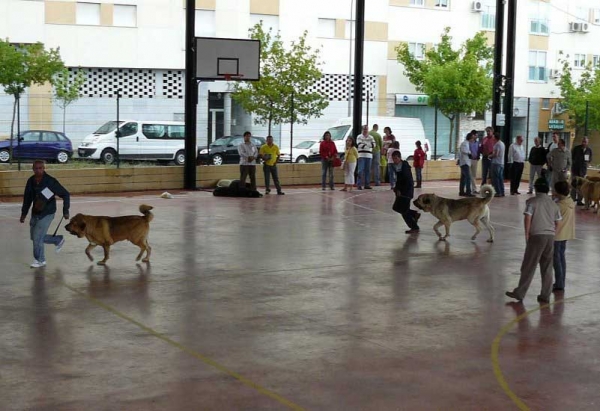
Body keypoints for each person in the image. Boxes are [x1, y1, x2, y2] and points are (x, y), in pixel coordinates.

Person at [505, 178, 562, 304]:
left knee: (529, 266)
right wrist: (553, 235)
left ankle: (520, 292)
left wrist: (527, 235)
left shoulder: (532, 202)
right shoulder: (554, 204)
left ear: (536, 188)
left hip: (536, 236)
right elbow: (558, 222)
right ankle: (545, 295)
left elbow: (528, 218)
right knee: (547, 267)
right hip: (550, 237)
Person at [20, 160, 70, 268]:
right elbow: (27, 199)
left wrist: (65, 210)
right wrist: (23, 214)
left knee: (37, 237)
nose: (38, 170)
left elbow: (65, 194)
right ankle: (57, 240)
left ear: (44, 168)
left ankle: (40, 260)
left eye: (40, 168)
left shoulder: (50, 181)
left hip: (47, 213)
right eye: (36, 168)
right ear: (33, 169)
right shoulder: (31, 181)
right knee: (34, 237)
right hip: (36, 212)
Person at [552, 180, 575, 292]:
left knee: (556, 260)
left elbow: (552, 218)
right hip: (565, 233)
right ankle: (561, 281)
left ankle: (559, 283)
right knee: (561, 258)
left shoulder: (558, 206)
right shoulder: (569, 201)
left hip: (557, 235)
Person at [391, 151, 420, 234]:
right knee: (396, 207)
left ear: (400, 158)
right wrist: (396, 188)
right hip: (401, 191)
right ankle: (414, 214)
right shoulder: (397, 166)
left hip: (406, 191)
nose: (394, 160)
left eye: (396, 158)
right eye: (393, 159)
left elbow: (406, 180)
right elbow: (399, 179)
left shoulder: (404, 166)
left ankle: (414, 227)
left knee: (404, 211)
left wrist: (399, 190)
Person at [571, 137, 592, 205]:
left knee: (581, 186)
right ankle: (572, 199)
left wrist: (586, 164)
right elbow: (572, 158)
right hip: (575, 170)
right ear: (581, 142)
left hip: (583, 171)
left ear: (587, 142)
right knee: (573, 185)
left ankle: (579, 201)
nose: (584, 143)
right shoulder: (576, 148)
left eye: (585, 142)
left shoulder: (589, 150)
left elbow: (589, 159)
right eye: (583, 141)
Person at [356, 125, 376, 190]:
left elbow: (374, 145)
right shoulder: (359, 136)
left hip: (369, 156)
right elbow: (359, 144)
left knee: (368, 171)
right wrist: (368, 145)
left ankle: (367, 184)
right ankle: (359, 184)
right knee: (360, 171)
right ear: (362, 129)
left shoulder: (371, 137)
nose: (365, 130)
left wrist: (365, 144)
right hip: (361, 155)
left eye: (366, 129)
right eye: (364, 129)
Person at [489, 131, 505, 197]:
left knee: (496, 179)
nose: (492, 138)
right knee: (500, 178)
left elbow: (496, 154)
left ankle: (498, 192)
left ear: (495, 137)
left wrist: (489, 156)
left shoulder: (497, 144)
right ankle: (502, 191)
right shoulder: (502, 143)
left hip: (496, 163)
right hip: (501, 163)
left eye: (493, 137)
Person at [458, 132, 474, 197]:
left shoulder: (466, 143)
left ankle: (461, 191)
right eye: (472, 138)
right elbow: (464, 151)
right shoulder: (465, 144)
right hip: (465, 163)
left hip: (465, 162)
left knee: (463, 178)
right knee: (468, 178)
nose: (473, 140)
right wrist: (470, 153)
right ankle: (468, 191)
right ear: (470, 138)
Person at [468, 130, 481, 194]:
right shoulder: (468, 143)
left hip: (475, 160)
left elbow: (479, 150)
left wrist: (478, 157)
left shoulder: (478, 143)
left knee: (473, 175)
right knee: (469, 175)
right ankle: (468, 189)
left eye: (476, 135)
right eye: (475, 135)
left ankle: (474, 189)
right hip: (469, 160)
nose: (476, 136)